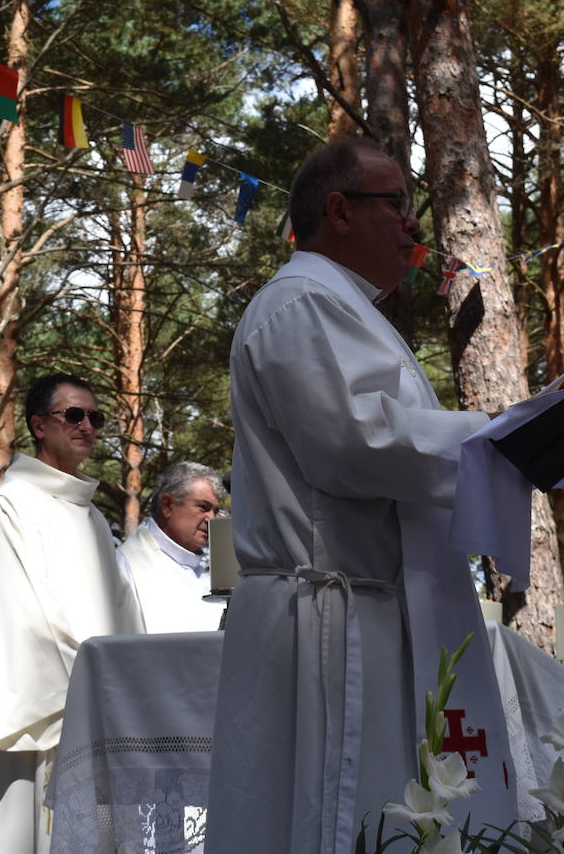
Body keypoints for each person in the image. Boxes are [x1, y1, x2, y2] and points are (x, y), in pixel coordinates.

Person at [205, 138, 517, 851]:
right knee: (333, 823)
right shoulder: (300, 302)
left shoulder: (343, 307)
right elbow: (355, 443)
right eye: (400, 205)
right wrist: (496, 436)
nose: (416, 227)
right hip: (326, 622)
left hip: (366, 611)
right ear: (339, 211)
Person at [0, 373, 144, 853]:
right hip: (42, 719)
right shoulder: (10, 508)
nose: (87, 426)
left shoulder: (93, 519)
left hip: (97, 708)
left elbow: (124, 615)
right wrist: (91, 683)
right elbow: (13, 621)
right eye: (73, 415)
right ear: (39, 425)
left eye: (94, 418)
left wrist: (128, 682)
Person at [116, 461, 226, 632]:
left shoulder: (214, 571)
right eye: (203, 507)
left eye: (215, 511)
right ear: (167, 505)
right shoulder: (124, 566)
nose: (212, 519)